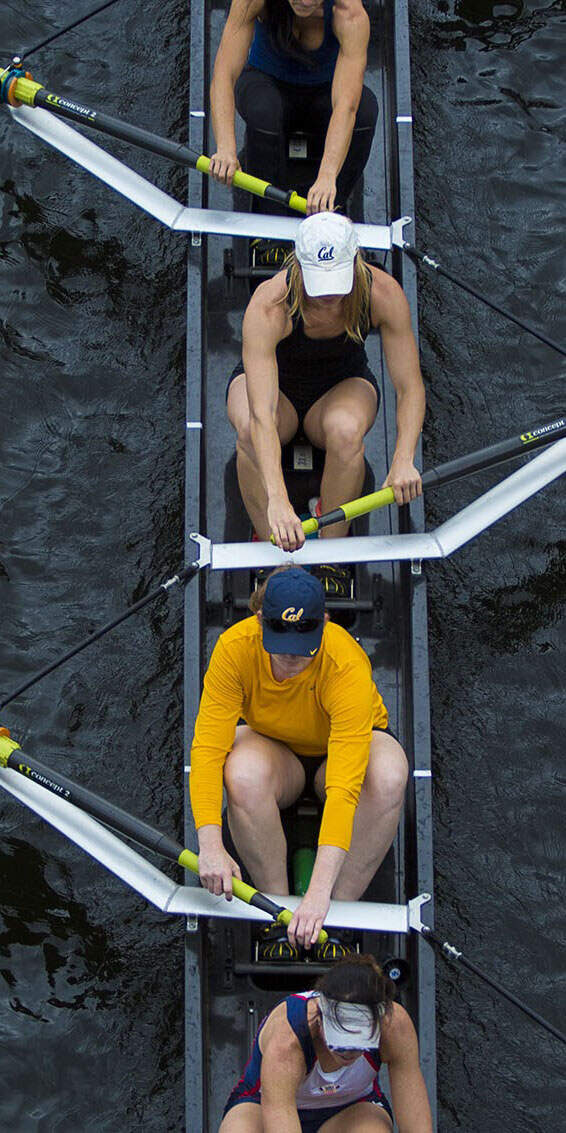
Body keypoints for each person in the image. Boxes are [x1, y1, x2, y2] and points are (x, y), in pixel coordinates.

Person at [190, 565, 408, 955]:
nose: (291, 656)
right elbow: (207, 750)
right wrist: (209, 844)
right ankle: (277, 911)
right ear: (259, 620)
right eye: (280, 641)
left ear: (324, 622)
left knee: (390, 773)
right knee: (239, 772)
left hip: (338, 762)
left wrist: (321, 892)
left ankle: (338, 916)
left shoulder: (346, 664)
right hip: (277, 754)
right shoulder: (233, 649)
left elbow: (343, 788)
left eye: (303, 643)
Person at [226, 211, 426, 552]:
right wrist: (278, 499)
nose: (328, 296)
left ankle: (329, 550)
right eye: (320, 281)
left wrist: (404, 458)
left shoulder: (383, 295)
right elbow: (262, 414)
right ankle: (272, 542)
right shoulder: (270, 305)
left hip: (341, 388)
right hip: (279, 397)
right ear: (299, 266)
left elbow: (410, 387)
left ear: (356, 262)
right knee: (248, 429)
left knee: (347, 433)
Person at [219, 954, 434, 1131]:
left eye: (359, 1046)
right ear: (321, 1019)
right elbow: (278, 1113)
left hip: (351, 1109)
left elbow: (416, 1126)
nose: (349, 1053)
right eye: (340, 1044)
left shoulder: (394, 1025)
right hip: (263, 1107)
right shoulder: (287, 1041)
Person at [209, 0, 378, 216]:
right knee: (263, 110)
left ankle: (331, 208)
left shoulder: (349, 15)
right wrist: (225, 148)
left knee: (366, 110)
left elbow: (346, 106)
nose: (305, 1)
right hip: (266, 89)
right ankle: (268, 222)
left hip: (322, 99)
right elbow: (224, 75)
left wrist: (327, 175)